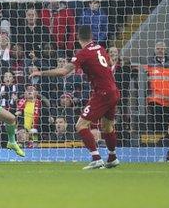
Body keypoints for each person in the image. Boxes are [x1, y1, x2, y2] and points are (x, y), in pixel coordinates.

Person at [30, 25, 120, 170]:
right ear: (92, 36)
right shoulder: (101, 48)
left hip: (102, 93)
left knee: (80, 125)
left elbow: (63, 72)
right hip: (114, 91)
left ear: (78, 38)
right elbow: (108, 64)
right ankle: (112, 157)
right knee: (107, 126)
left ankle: (96, 158)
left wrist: (41, 73)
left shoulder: (83, 53)